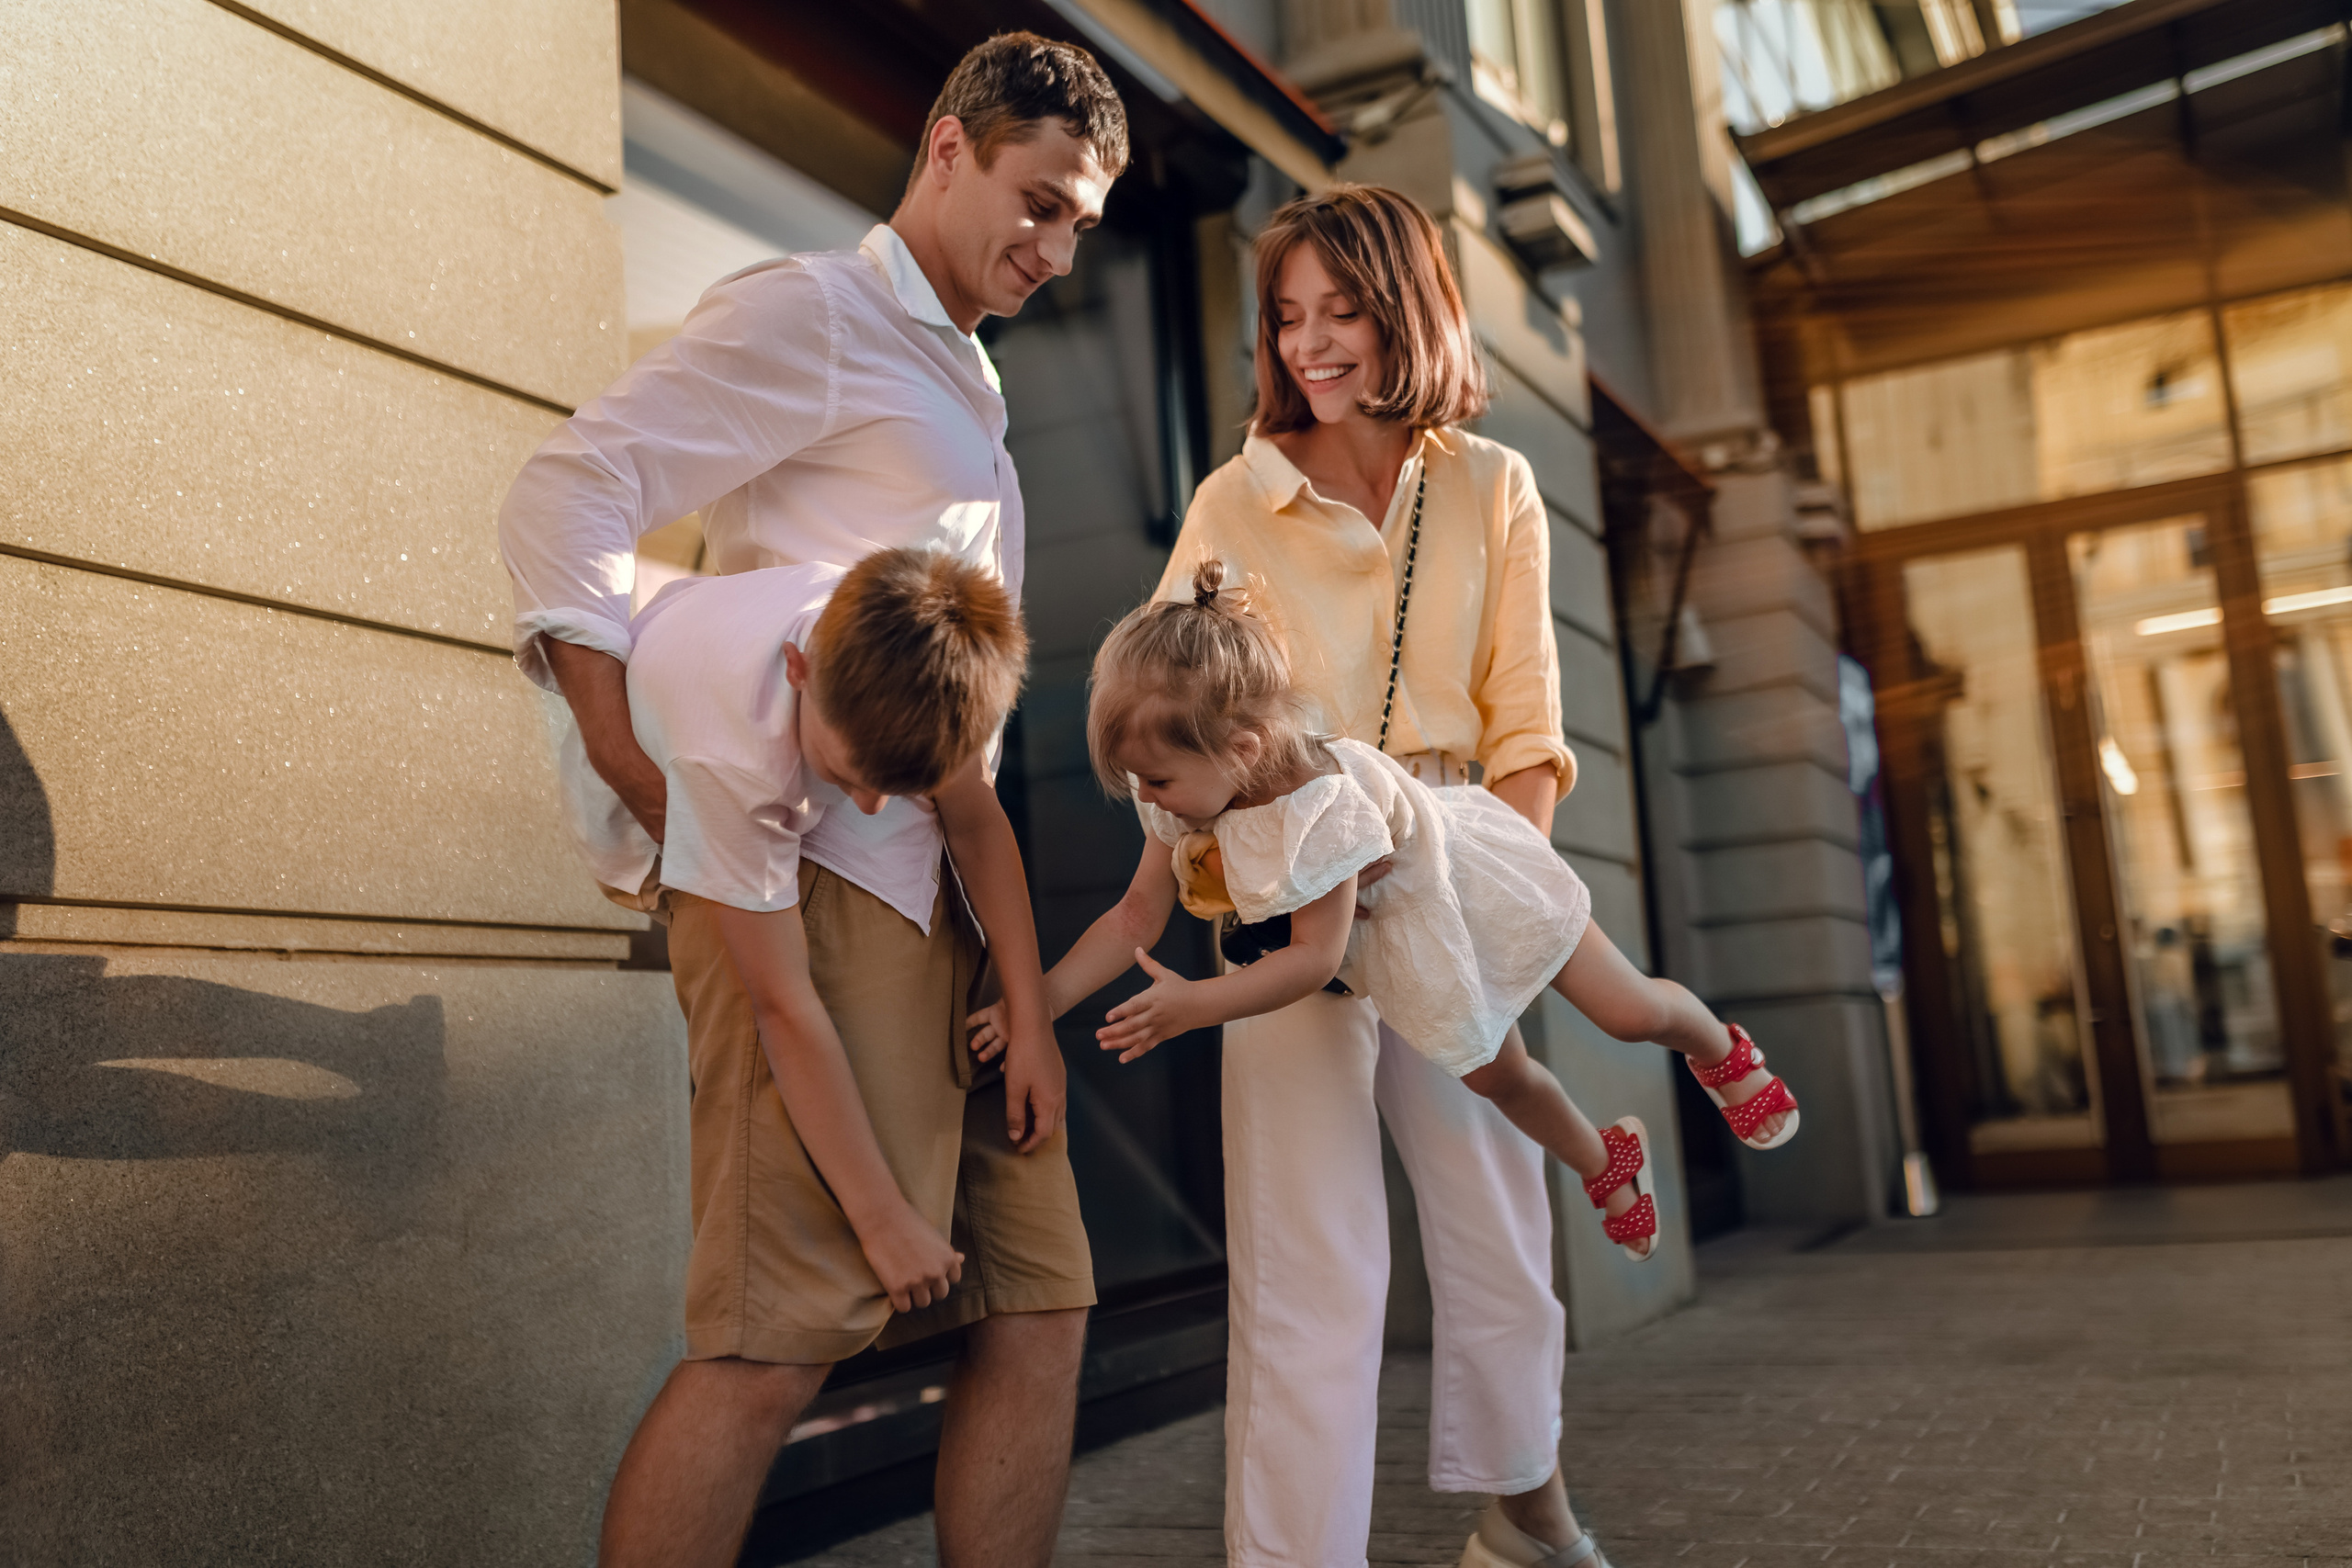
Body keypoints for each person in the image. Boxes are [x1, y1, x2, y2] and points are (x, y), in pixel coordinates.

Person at [495, 33, 1125, 1568]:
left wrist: (1027, 995)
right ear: (945, 148)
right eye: (1035, 203)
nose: (1051, 248)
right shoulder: (820, 315)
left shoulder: (963, 370)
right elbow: (569, 490)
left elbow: (962, 752)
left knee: (1039, 1307)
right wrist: (630, 761)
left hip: (950, 906)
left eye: (1080, 226)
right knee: (777, 1342)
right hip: (812, 891)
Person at [1114, 184, 1797, 1568]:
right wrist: (1171, 885)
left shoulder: (1493, 484)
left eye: (1342, 310)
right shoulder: (1229, 501)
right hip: (1283, 886)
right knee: (1313, 1269)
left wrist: (1501, 906)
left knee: (1494, 1236)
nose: (1309, 344)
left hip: (1439, 873)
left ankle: (1522, 1518)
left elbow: (1525, 724)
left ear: (1405, 307)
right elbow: (1171, 717)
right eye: (1288, 317)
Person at [975, 558, 1800, 1266]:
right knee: (1497, 1075)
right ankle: (1606, 1161)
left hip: (1475, 880)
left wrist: (1196, 1006)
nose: (1145, 801)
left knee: (1628, 1011)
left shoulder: (1321, 805)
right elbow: (1131, 917)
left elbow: (1313, 957)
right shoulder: (1184, 796)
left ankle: (1715, 1043)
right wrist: (1038, 1004)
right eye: (1137, 783)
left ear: (1243, 750)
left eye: (1155, 781)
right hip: (1414, 934)